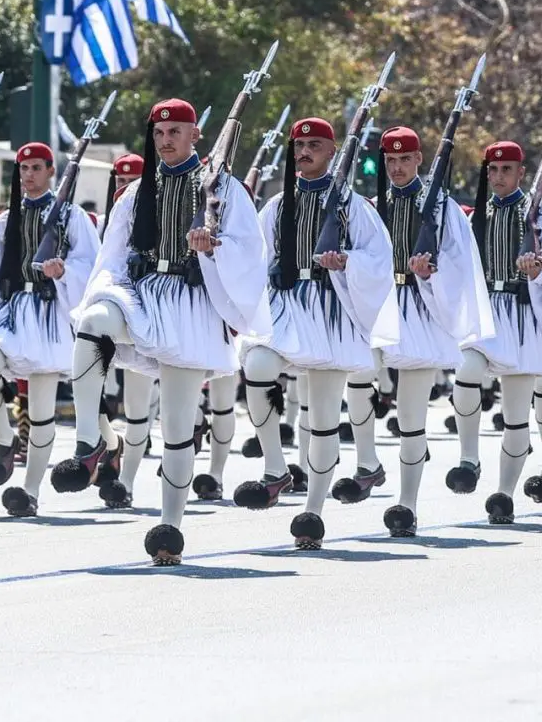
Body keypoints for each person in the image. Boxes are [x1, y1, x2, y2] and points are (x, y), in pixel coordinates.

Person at [61, 99, 267, 565]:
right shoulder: (135, 194)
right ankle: (89, 437)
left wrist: (214, 246)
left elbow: (250, 251)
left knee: (175, 426)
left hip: (191, 302)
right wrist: (107, 294)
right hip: (142, 293)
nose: (166, 140)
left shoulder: (224, 189)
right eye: (159, 133)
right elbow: (111, 257)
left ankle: (170, 527)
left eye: (176, 131)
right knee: (93, 323)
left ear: (196, 135)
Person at [233, 116, 398, 550]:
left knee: (322, 417)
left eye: (314, 145)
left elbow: (380, 260)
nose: (303, 151)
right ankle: (274, 467)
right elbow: (253, 257)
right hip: (286, 305)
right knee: (257, 364)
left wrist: (347, 262)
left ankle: (312, 512)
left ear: (331, 151)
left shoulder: (354, 206)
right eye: (299, 144)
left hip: (329, 310)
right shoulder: (275, 205)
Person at [444, 139, 542, 524]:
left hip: (523, 317)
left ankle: (504, 494)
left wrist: (539, 272)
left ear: (522, 173)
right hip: (488, 312)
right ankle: (469, 459)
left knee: (517, 413)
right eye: (493, 169)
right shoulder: (477, 215)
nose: (499, 176)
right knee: (466, 371)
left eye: (507, 169)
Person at [369, 125, 492, 536]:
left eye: (405, 160)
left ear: (419, 160)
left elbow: (460, 264)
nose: (398, 167)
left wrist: (431, 274)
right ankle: (367, 462)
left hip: (423, 311)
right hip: (380, 308)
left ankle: (407, 504)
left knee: (411, 416)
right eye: (391, 161)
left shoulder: (442, 207)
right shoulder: (371, 206)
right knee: (354, 372)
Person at [0, 142, 98, 517]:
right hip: (12, 310)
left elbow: (89, 265)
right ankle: (4, 438)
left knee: (42, 412)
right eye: (23, 169)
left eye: (36, 168)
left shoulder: (72, 218)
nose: (28, 175)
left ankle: (30, 491)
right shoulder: (3, 219)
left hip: (48, 312)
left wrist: (64, 273)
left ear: (51, 172)